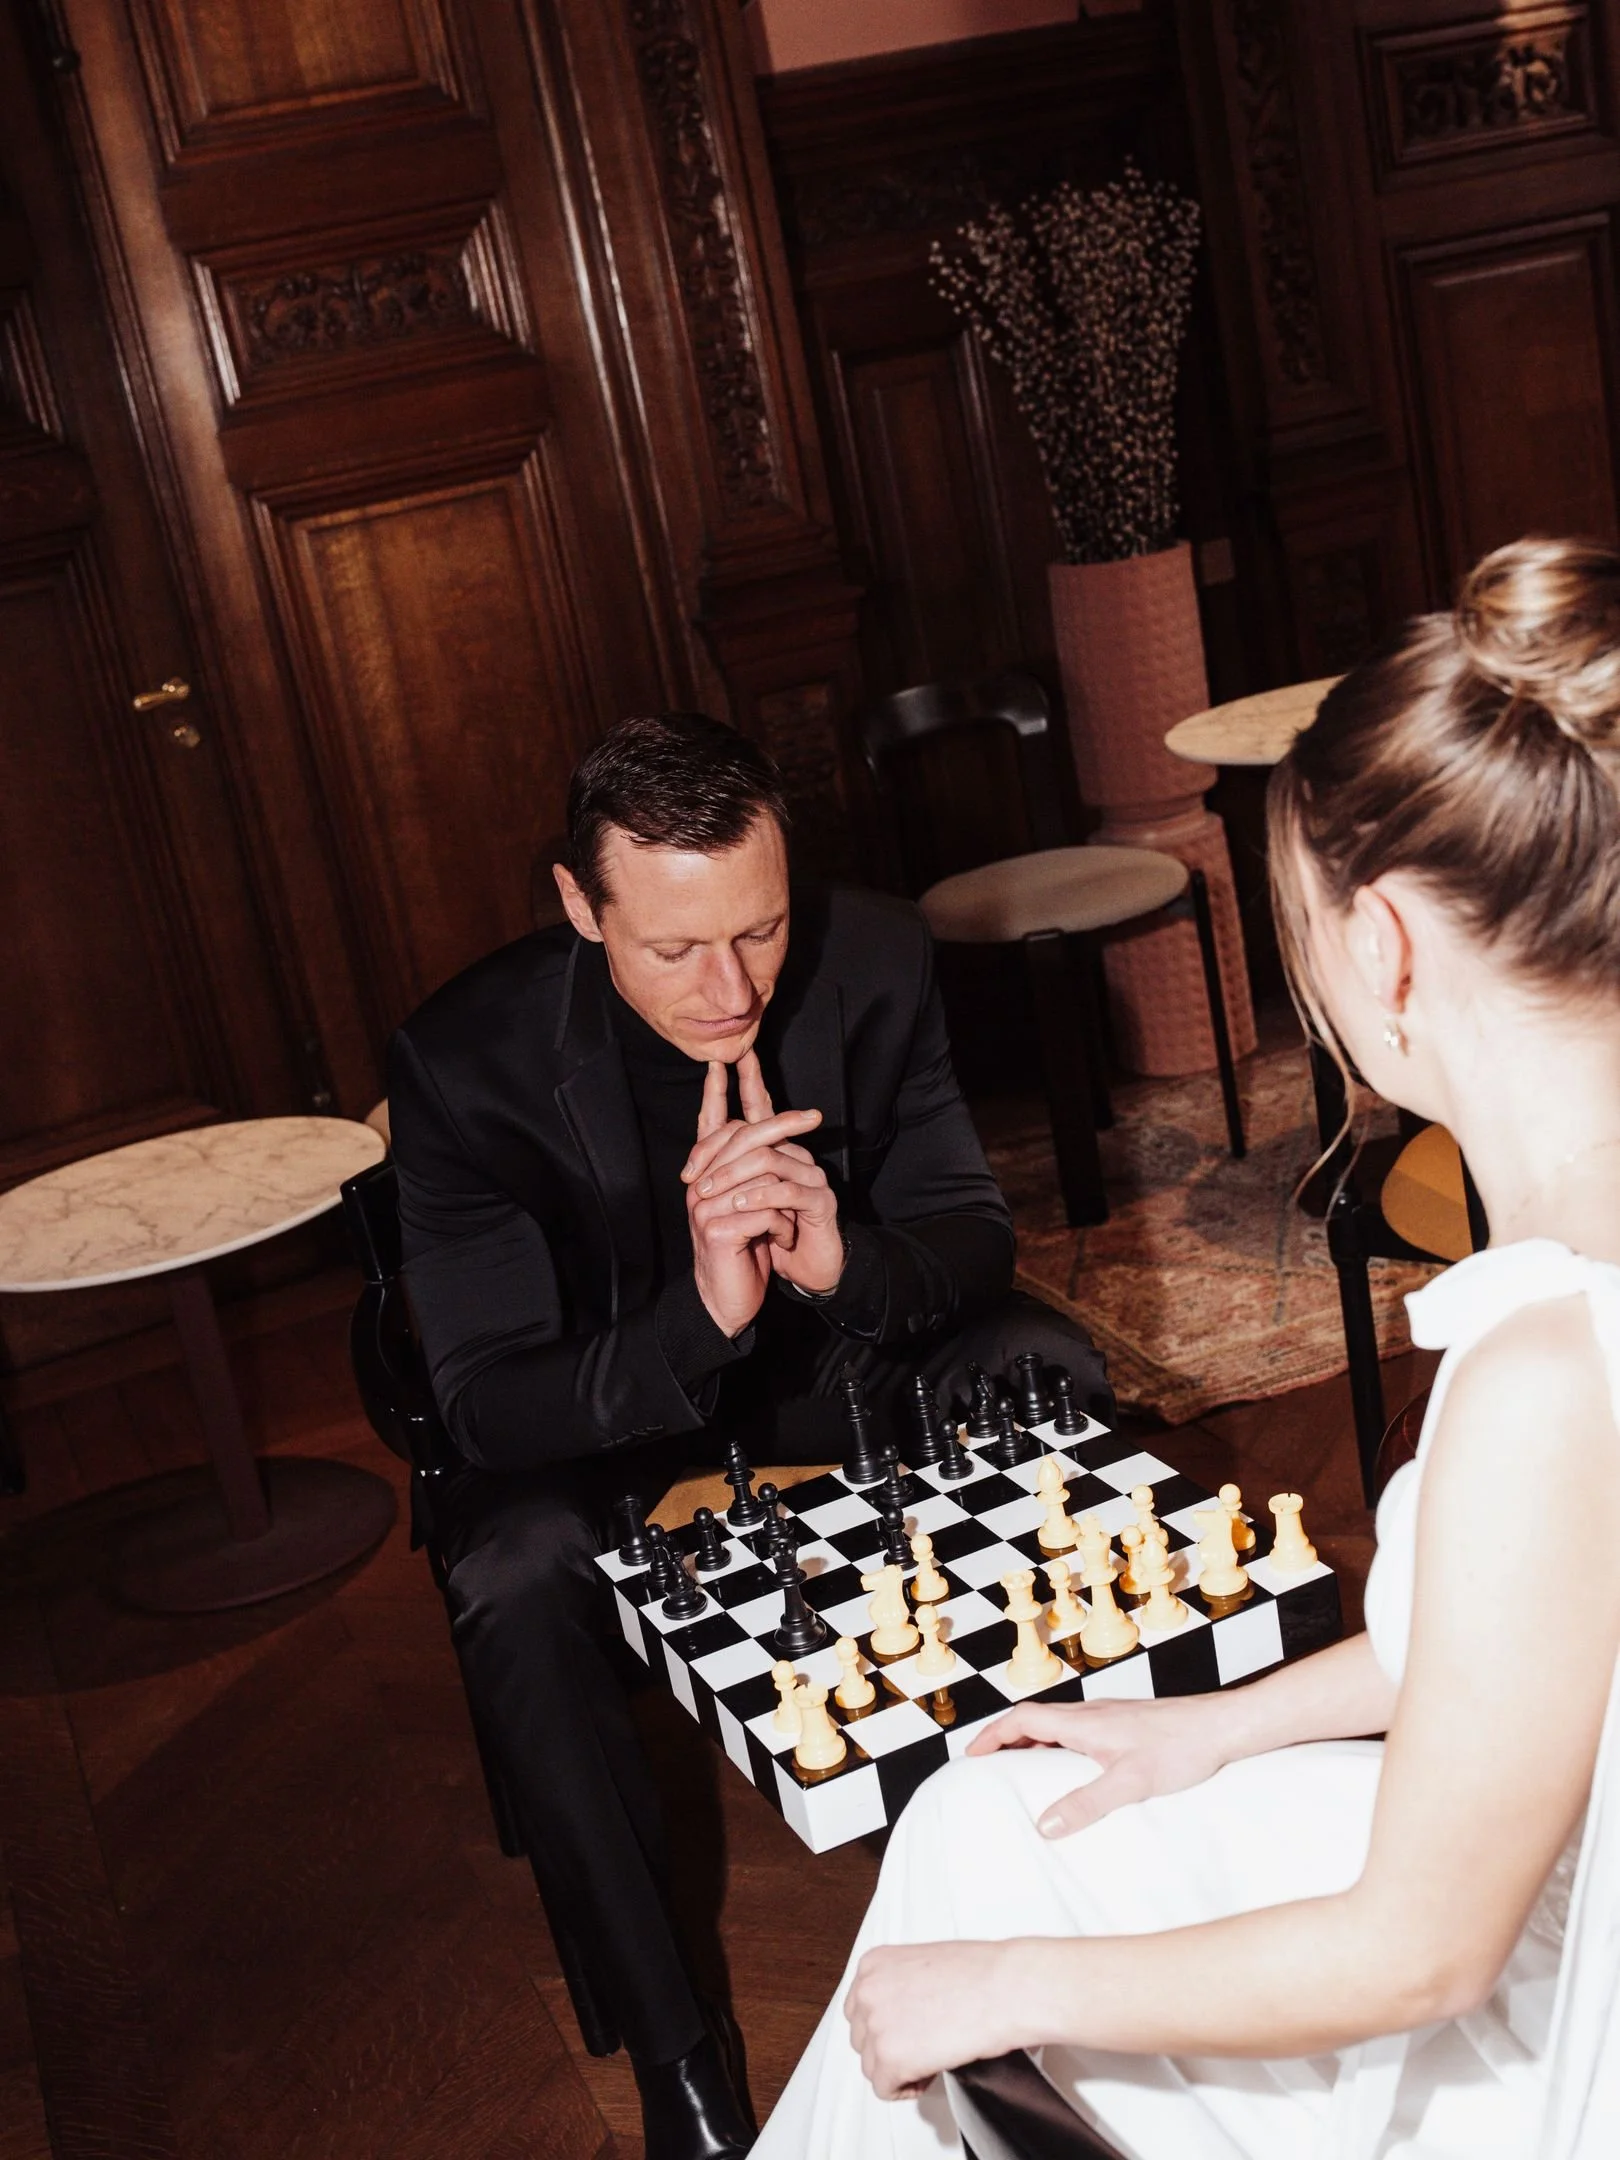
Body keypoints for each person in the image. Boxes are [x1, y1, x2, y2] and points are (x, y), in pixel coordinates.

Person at [757, 535, 1620, 2160]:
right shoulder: (1573, 1294)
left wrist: (1000, 1990)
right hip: (1536, 1870)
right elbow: (1542, 1643)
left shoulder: (1543, 1372)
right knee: (987, 1811)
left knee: (961, 1936)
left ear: (1385, 949)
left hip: (1542, 2033)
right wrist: (1204, 1726)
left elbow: (1424, 1949)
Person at [388, 711, 1111, 2160]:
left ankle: (1071, 1911)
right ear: (581, 907)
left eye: (762, 932)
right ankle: (685, 2062)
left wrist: (842, 1263)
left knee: (1044, 1369)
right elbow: (482, 1399)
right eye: (674, 950)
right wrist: (696, 1321)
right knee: (509, 1579)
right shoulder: (466, 1060)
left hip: (839, 1380)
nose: (732, 990)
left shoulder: (881, 954)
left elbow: (968, 1236)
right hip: (609, 1434)